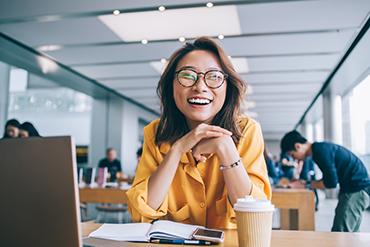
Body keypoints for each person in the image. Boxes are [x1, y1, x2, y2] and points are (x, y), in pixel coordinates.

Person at [126, 37, 271, 229]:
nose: (200, 87)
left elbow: (255, 215)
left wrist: (226, 149)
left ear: (228, 87)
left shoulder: (247, 130)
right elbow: (141, 213)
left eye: (214, 77)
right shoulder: (155, 133)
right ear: (172, 86)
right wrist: (177, 150)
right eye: (187, 75)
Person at [280, 130, 370, 232]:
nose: (295, 159)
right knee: (350, 235)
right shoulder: (320, 149)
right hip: (358, 189)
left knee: (340, 234)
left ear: (298, 146)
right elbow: (329, 179)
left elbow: (331, 183)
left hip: (356, 190)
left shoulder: (319, 151)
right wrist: (305, 184)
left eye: (292, 155)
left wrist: (305, 185)